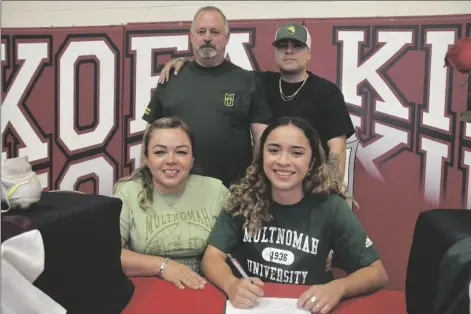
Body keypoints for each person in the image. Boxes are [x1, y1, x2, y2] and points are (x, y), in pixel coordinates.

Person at [200, 116, 388, 313]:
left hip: (307, 307)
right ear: (261, 154)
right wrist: (231, 284)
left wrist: (339, 288)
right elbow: (211, 257)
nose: (283, 161)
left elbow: (377, 273)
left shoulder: (331, 207)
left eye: (296, 153)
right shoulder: (242, 198)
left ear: (312, 160)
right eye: (273, 150)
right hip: (252, 306)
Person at [159, 22, 354, 184]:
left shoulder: (327, 92)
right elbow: (217, 70)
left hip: (312, 185)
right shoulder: (259, 83)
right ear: (275, 53)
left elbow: (337, 148)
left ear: (309, 53)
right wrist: (186, 63)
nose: (289, 51)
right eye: (282, 46)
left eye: (297, 46)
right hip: (272, 187)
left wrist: (332, 190)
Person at [142, 6, 272, 188]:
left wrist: (257, 183)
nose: (208, 37)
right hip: (176, 189)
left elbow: (262, 139)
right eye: (201, 31)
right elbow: (150, 135)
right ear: (191, 36)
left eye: (215, 31)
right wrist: (143, 178)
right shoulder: (170, 78)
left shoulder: (248, 81)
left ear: (227, 38)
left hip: (233, 190)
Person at [113, 117, 230, 290]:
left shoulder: (215, 189)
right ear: (147, 158)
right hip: (147, 293)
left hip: (205, 291)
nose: (171, 160)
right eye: (160, 152)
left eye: (181, 152)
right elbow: (109, 254)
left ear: (192, 159)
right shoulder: (128, 192)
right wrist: (163, 266)